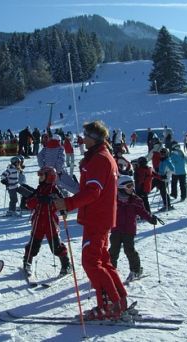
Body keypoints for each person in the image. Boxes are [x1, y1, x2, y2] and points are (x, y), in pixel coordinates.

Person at [54, 120, 128, 320]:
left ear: (94, 138)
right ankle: (119, 299)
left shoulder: (100, 159)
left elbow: (93, 192)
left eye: (85, 135)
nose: (82, 138)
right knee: (102, 260)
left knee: (91, 262)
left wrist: (68, 204)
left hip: (97, 218)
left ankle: (110, 305)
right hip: (100, 217)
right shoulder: (102, 156)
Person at [22, 167, 71, 277]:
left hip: (51, 223)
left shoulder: (55, 190)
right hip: (38, 221)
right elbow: (28, 204)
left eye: (42, 176)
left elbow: (63, 204)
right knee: (33, 245)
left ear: (49, 177)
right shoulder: (39, 189)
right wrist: (38, 199)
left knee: (56, 246)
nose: (40, 178)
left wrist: (55, 204)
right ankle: (27, 262)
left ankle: (66, 264)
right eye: (40, 176)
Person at [109, 175, 157, 283]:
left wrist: (150, 218)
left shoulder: (136, 200)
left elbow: (143, 212)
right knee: (113, 251)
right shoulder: (114, 200)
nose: (132, 188)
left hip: (129, 230)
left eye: (132, 185)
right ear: (121, 187)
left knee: (129, 250)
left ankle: (136, 270)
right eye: (129, 186)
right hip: (116, 229)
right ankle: (110, 270)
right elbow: (106, 211)